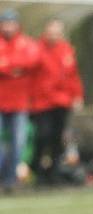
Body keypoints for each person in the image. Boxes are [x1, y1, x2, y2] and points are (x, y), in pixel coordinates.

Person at [30, 18, 84, 187]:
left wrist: (77, 95)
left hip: (62, 102)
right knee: (42, 136)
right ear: (46, 32)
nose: (54, 36)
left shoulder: (66, 50)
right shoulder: (36, 49)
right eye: (51, 32)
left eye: (57, 33)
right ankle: (36, 169)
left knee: (57, 139)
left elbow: (73, 76)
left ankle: (53, 173)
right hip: (42, 102)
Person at [0, 8, 39, 193]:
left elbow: (32, 61)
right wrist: (13, 69)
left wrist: (6, 66)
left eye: (11, 23)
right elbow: (18, 65)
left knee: (18, 143)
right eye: (4, 23)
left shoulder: (26, 43)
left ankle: (10, 180)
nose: (8, 27)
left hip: (19, 103)